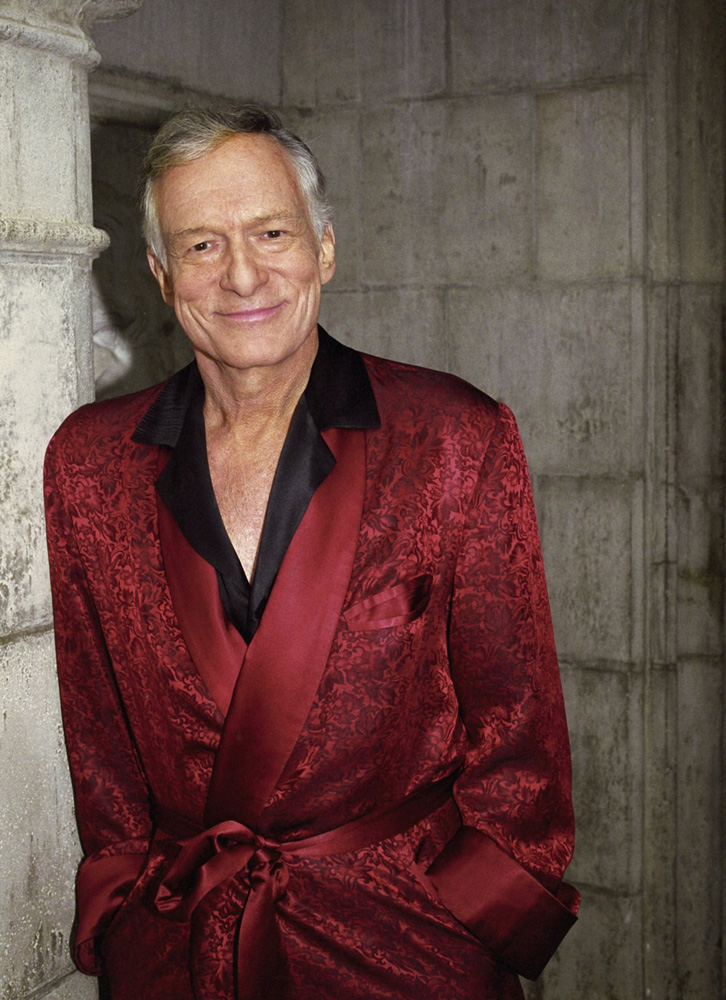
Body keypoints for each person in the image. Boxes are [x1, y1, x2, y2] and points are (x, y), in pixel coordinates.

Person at [44, 105, 579, 1000]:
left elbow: (518, 723)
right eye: (202, 245)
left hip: (407, 944)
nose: (241, 273)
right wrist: (123, 897)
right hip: (179, 946)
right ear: (162, 275)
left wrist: (475, 909)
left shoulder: (455, 437)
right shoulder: (90, 461)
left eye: (272, 232)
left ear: (324, 249)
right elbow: (97, 729)